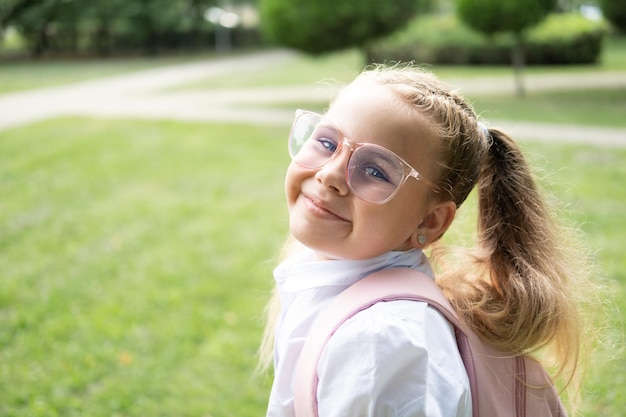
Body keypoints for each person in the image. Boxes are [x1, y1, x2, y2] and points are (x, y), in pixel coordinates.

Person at [259, 64, 593, 417]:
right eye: (327, 142)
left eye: (375, 170)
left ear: (430, 222)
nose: (329, 175)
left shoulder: (380, 342)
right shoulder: (319, 276)